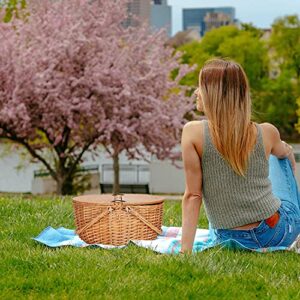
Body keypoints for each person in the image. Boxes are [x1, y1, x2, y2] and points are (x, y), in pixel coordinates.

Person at [180, 58, 300, 253]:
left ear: (214, 93)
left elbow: (193, 195)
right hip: (275, 231)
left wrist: (184, 252)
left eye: (200, 86)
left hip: (227, 237)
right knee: (281, 155)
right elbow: (285, 155)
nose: (196, 92)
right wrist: (288, 156)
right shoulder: (267, 132)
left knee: (277, 153)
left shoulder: (192, 133)